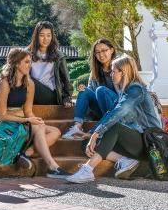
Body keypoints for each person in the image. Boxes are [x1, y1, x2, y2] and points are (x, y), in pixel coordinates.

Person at [66, 55, 162, 183]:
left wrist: (97, 133)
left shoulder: (136, 89)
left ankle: (88, 169)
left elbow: (119, 112)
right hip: (133, 142)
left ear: (124, 72)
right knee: (87, 143)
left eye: (113, 71)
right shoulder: (124, 91)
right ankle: (125, 160)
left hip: (148, 142)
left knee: (114, 128)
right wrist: (91, 134)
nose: (111, 74)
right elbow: (109, 113)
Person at [0, 47, 71, 178]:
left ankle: (26, 153)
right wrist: (28, 121)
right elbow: (2, 115)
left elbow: (28, 111)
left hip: (21, 120)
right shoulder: (4, 82)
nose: (30, 65)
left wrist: (35, 120)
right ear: (17, 63)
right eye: (27, 62)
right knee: (37, 126)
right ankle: (53, 167)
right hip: (4, 122)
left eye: (30, 62)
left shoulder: (29, 83)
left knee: (55, 131)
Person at [63, 39, 117, 139]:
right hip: (101, 110)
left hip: (116, 109)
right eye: (98, 52)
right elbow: (91, 92)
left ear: (112, 50)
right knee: (85, 91)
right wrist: (84, 89)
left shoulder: (120, 67)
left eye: (104, 50)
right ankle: (77, 127)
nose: (101, 55)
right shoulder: (95, 71)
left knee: (101, 90)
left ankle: (102, 130)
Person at [27, 21, 73, 107]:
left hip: (50, 95)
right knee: (6, 77)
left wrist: (67, 97)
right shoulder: (27, 54)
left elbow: (66, 79)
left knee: (27, 80)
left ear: (52, 37)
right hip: (30, 93)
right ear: (36, 36)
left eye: (48, 35)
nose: (45, 39)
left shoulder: (58, 55)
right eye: (42, 35)